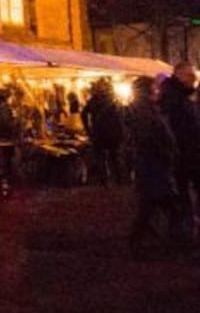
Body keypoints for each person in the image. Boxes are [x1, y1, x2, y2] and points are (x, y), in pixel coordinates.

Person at [127, 76, 184, 259]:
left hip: (154, 166)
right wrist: (165, 153)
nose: (157, 90)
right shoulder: (143, 111)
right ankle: (172, 243)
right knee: (166, 206)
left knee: (151, 207)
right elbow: (149, 138)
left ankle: (139, 241)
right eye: (154, 87)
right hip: (153, 166)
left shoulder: (148, 109)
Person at [159, 62, 200, 249]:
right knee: (181, 196)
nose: (194, 79)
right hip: (181, 157)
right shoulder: (172, 98)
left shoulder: (182, 97)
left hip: (189, 155)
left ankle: (186, 231)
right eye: (190, 75)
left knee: (184, 196)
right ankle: (183, 235)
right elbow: (173, 129)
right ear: (179, 75)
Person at [82, 78, 125, 186]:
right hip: (113, 134)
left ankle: (104, 181)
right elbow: (121, 117)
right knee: (114, 157)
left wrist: (88, 129)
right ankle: (118, 180)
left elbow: (83, 114)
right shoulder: (114, 101)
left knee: (100, 157)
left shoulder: (93, 100)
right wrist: (121, 132)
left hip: (98, 133)